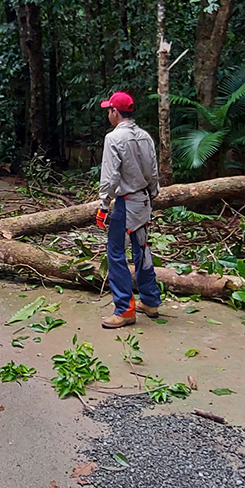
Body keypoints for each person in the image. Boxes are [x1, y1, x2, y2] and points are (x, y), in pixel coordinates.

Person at [95, 91, 160, 329]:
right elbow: (153, 172)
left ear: (115, 112)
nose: (108, 114)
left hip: (126, 202)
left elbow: (110, 177)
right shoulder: (145, 137)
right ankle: (150, 301)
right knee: (142, 248)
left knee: (115, 253)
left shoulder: (113, 139)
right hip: (143, 201)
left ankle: (124, 309)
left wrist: (103, 205)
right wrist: (152, 195)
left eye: (109, 110)